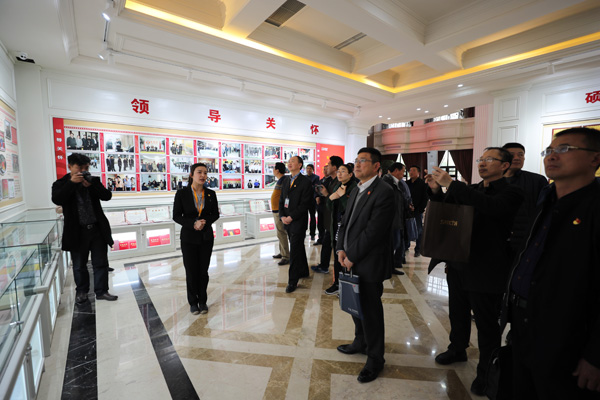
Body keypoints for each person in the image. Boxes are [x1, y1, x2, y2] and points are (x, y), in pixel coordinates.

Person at [505, 127, 600, 399]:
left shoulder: (593, 206)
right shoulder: (547, 200)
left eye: (564, 149)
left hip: (568, 334)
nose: (552, 156)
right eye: (549, 150)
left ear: (595, 159)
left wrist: (596, 356)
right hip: (525, 322)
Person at [426, 147, 523, 396]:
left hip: (487, 268)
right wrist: (437, 190)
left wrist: (454, 185)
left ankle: (485, 371)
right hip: (459, 263)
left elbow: (492, 207)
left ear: (504, 165)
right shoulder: (473, 189)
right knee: (457, 313)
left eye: (489, 159)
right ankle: (457, 348)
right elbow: (447, 211)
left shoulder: (511, 192)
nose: (482, 163)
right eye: (481, 159)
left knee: (486, 323)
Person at [336, 147, 395, 383]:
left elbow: (374, 232)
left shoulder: (384, 192)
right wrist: (340, 249)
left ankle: (375, 359)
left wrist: (352, 256)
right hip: (349, 258)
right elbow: (345, 222)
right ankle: (360, 342)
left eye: (363, 161)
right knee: (355, 305)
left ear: (376, 166)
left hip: (369, 262)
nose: (357, 165)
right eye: (356, 160)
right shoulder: (356, 188)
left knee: (371, 312)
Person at [51, 153, 118, 304]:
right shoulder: (61, 183)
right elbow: (57, 198)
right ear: (70, 167)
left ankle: (102, 291)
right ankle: (82, 292)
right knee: (79, 265)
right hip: (77, 231)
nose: (83, 171)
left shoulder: (92, 181)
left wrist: (93, 186)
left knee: (100, 262)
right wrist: (71, 184)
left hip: (97, 229)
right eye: (79, 168)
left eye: (86, 168)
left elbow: (107, 196)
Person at [173, 163, 220, 315]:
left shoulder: (211, 194)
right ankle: (193, 302)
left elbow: (215, 214)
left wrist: (204, 222)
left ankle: (203, 301)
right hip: (189, 238)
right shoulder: (182, 193)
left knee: (203, 271)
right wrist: (193, 223)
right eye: (199, 172)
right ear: (192, 175)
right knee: (191, 271)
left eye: (205, 173)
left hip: (206, 237)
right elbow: (176, 216)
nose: (203, 175)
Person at [501, 142, 548, 255]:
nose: (517, 158)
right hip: (499, 239)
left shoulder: (537, 180)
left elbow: (544, 210)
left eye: (521, 155)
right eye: (512, 155)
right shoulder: (493, 181)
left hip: (526, 239)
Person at [279, 156, 312, 293]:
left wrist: (291, 217)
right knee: (297, 247)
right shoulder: (286, 180)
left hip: (298, 221)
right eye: (289, 161)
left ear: (299, 165)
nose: (289, 163)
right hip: (287, 221)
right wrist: (282, 216)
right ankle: (304, 270)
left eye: (293, 161)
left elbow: (305, 204)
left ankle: (292, 281)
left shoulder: (306, 182)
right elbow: (282, 200)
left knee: (294, 251)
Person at [325, 163, 358, 294]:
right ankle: (337, 283)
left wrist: (342, 196)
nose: (339, 173)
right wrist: (331, 198)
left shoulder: (355, 187)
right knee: (337, 254)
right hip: (336, 225)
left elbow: (350, 209)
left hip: (347, 227)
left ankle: (346, 287)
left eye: (343, 171)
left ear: (350, 174)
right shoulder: (337, 186)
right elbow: (329, 205)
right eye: (338, 171)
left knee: (347, 255)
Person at [311, 156, 343, 277]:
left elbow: (338, 202)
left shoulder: (340, 182)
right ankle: (324, 265)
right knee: (326, 243)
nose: (326, 167)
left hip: (336, 220)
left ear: (334, 167)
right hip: (328, 218)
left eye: (328, 165)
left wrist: (326, 194)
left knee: (336, 248)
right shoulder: (328, 180)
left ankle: (338, 276)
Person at [381, 162, 408, 275]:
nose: (403, 174)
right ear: (396, 170)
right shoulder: (387, 182)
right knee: (392, 244)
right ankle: (384, 268)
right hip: (390, 221)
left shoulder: (397, 183)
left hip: (397, 219)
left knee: (395, 244)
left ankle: (390, 267)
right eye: (403, 171)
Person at [406, 165, 428, 257]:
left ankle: (418, 249)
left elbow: (425, 198)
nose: (411, 172)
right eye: (410, 170)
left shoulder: (423, 184)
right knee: (407, 228)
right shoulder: (406, 183)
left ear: (418, 173)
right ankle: (406, 246)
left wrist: (420, 209)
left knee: (418, 230)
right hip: (407, 211)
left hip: (417, 211)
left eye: (413, 170)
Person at [271, 162, 290, 266]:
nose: (273, 170)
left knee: (282, 233)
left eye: (274, 168)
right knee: (279, 233)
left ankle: (286, 256)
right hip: (276, 210)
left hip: (280, 211)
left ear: (277, 170)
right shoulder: (281, 180)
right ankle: (282, 252)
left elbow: (285, 196)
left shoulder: (284, 180)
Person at [305, 164, 320, 241]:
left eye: (310, 168)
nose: (308, 170)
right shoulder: (304, 177)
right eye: (307, 168)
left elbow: (315, 188)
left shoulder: (316, 177)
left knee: (312, 217)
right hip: (305, 201)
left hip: (312, 201)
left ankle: (312, 234)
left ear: (313, 170)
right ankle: (304, 233)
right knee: (304, 218)